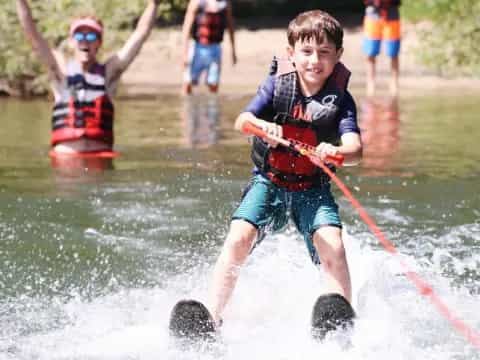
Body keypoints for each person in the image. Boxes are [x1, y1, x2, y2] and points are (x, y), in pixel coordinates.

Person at [207, 10, 363, 327]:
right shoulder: (276, 88)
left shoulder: (342, 101)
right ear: (291, 54)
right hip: (269, 183)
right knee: (239, 238)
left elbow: (356, 149)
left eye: (324, 53)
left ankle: (342, 319)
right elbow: (243, 121)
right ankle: (212, 315)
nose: (314, 61)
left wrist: (337, 150)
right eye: (306, 52)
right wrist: (264, 127)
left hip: (312, 189)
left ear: (338, 56)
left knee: (333, 243)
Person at [15, 0, 160, 156]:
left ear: (99, 42)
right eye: (79, 35)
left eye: (91, 35)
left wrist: (154, 5)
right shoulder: (59, 71)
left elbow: (140, 35)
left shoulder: (109, 73)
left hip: (100, 160)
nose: (85, 40)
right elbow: (33, 35)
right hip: (65, 160)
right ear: (71, 41)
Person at [181, 0, 237, 95]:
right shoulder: (196, 3)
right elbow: (186, 28)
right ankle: (186, 108)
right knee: (188, 83)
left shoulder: (224, 4)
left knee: (213, 84)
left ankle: (212, 109)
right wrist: (184, 53)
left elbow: (231, 27)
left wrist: (233, 51)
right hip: (197, 48)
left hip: (215, 48)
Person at [362, 0, 401, 96]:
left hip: (392, 11)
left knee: (393, 52)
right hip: (373, 11)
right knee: (370, 51)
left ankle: (394, 84)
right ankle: (370, 84)